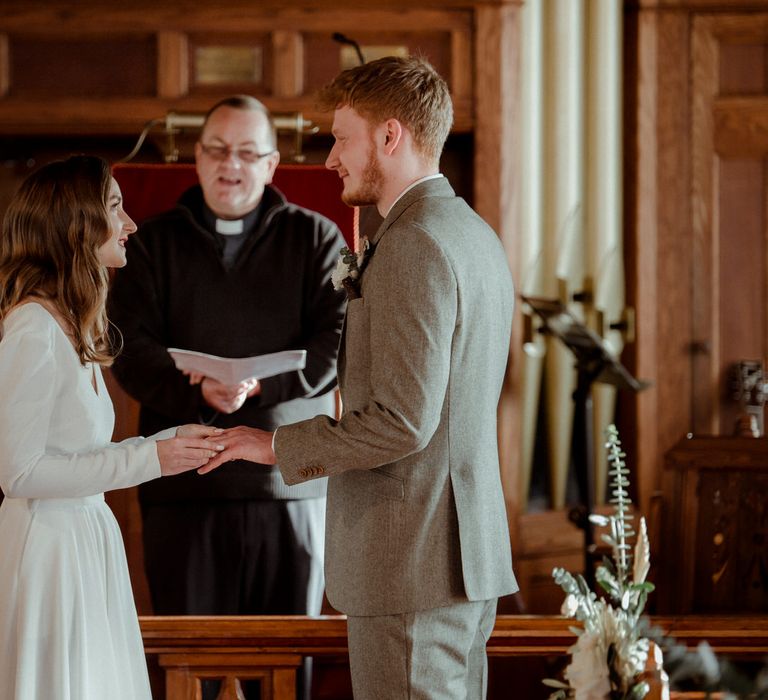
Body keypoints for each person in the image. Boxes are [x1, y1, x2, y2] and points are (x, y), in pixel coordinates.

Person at [200, 56, 518, 699]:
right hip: (453, 555)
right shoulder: (470, 232)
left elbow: (403, 421)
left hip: (412, 561)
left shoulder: (415, 244)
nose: (329, 160)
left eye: (341, 137)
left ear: (390, 135)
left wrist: (276, 444)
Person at [107, 96, 346, 696]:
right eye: (216, 150)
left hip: (287, 483)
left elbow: (339, 341)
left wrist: (261, 385)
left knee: (289, 664)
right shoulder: (154, 242)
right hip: (185, 484)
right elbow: (127, 347)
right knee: (193, 666)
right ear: (197, 156)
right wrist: (201, 392)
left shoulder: (315, 237)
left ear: (271, 165)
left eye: (247, 152)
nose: (229, 165)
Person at [0, 155, 223, 700]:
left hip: (83, 535)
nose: (130, 225)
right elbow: (19, 471)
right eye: (115, 208)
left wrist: (163, 444)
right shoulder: (33, 327)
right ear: (75, 223)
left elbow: (77, 452)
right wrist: (150, 460)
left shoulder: (68, 323)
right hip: (48, 551)